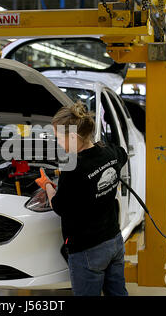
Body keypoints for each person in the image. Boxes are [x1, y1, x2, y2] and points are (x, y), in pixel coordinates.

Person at [35, 101, 129, 296]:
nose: (58, 143)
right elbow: (123, 155)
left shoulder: (73, 168)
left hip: (88, 250)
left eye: (59, 138)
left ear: (72, 137)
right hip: (114, 241)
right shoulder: (109, 152)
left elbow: (59, 206)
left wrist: (48, 186)